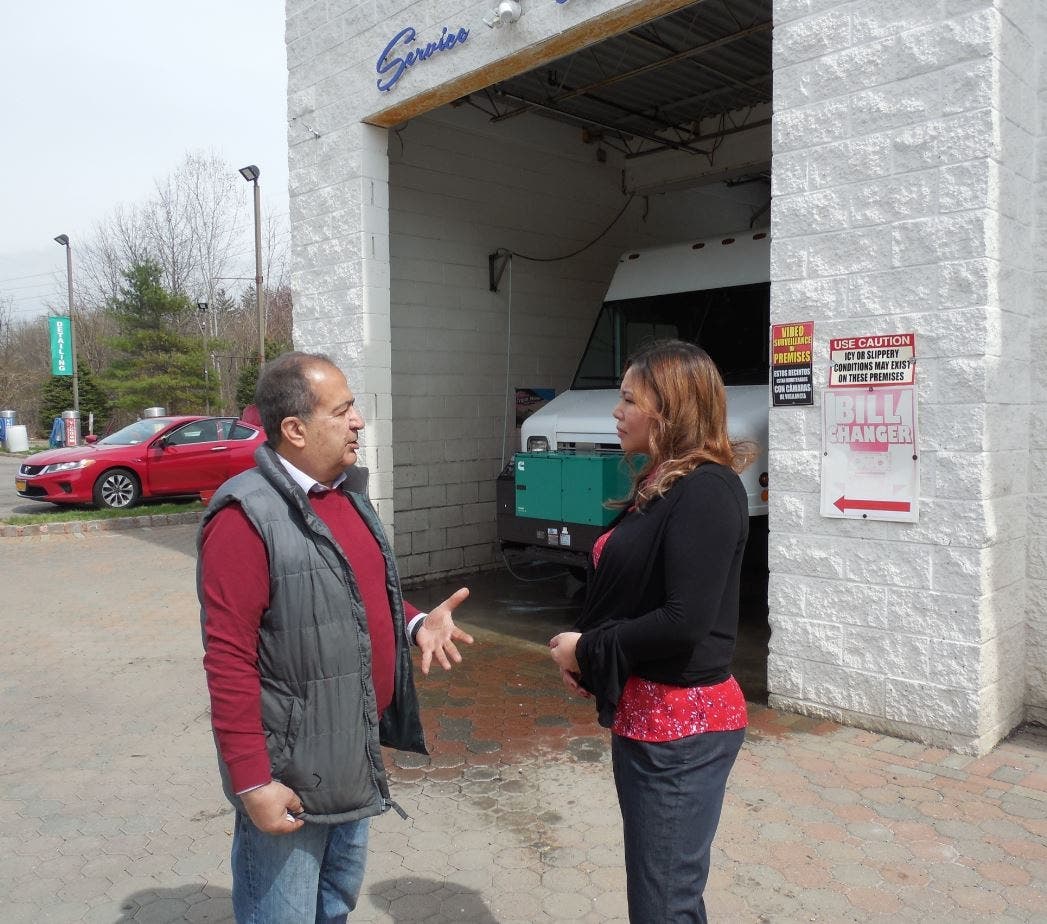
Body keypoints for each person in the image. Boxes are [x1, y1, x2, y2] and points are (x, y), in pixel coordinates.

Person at [198, 351, 473, 923]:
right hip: (290, 776)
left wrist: (417, 623)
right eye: (344, 410)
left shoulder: (345, 493)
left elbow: (361, 593)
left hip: (353, 755)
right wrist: (253, 783)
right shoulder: (244, 516)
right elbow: (228, 660)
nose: (359, 422)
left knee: (333, 909)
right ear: (294, 429)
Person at [548, 339, 752, 924]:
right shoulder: (664, 484)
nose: (617, 411)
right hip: (651, 720)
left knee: (664, 901)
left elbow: (683, 621)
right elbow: (638, 593)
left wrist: (590, 648)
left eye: (629, 399)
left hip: (682, 729)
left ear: (669, 408)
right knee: (659, 892)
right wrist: (591, 660)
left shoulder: (708, 489)